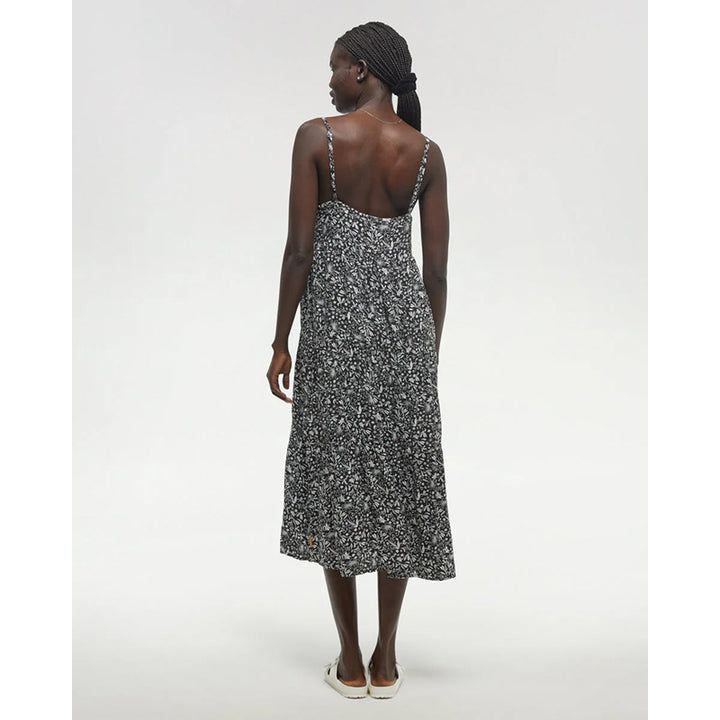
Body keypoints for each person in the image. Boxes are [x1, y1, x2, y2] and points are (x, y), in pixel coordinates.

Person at [267, 21, 456, 699]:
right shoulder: (426, 154)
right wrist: (426, 353)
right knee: (399, 481)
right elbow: (436, 274)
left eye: (335, 65)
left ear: (362, 71)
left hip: (335, 332)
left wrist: (280, 340)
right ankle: (387, 660)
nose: (328, 80)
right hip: (405, 333)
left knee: (336, 478)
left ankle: (349, 662)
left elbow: (300, 251)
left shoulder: (317, 138)